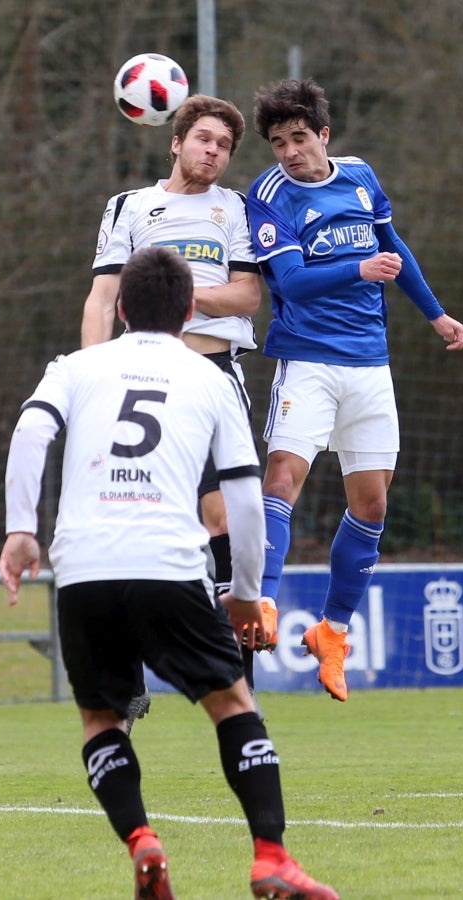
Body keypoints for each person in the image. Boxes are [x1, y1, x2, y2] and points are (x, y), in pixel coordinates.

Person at [0, 247, 339, 900]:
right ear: (188, 313)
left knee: (102, 720)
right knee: (232, 703)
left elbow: (30, 432)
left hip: (84, 569)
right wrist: (244, 594)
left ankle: (141, 840)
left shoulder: (75, 367)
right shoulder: (210, 381)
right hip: (169, 564)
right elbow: (242, 496)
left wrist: (20, 529)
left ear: (121, 308)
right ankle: (270, 856)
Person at [245, 78, 463, 703]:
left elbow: (393, 248)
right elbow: (291, 278)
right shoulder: (266, 198)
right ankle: (261, 603)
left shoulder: (361, 177)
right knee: (283, 478)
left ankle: (332, 633)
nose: (288, 152)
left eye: (297, 138)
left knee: (371, 507)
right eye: (276, 142)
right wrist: (359, 269)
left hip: (371, 366)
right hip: (308, 362)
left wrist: (435, 313)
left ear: (323, 134)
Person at [81, 94, 273, 717]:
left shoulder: (236, 209)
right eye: (205, 139)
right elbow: (104, 295)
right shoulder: (130, 207)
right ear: (176, 140)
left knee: (223, 515)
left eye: (224, 146)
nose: (213, 152)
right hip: (144, 374)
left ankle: (237, 685)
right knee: (134, 513)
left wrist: (183, 291)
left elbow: (247, 295)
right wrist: (94, 374)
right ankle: (128, 683)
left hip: (214, 375)